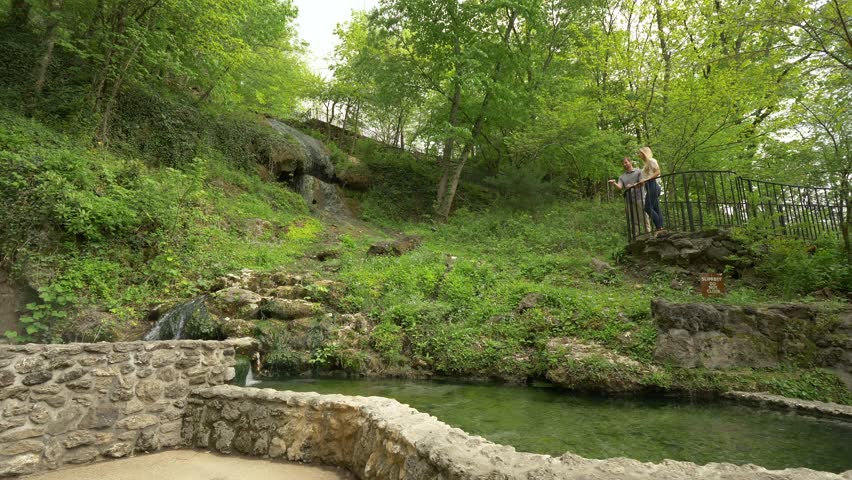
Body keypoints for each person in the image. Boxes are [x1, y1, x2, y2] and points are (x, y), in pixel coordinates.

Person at [608, 156, 650, 237]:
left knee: (644, 218)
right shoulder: (622, 176)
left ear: (630, 162)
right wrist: (614, 183)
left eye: (626, 162)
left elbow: (642, 182)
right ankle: (635, 238)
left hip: (640, 198)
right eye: (623, 163)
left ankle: (648, 237)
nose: (624, 164)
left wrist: (632, 186)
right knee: (634, 220)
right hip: (629, 200)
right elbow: (620, 187)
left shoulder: (639, 171)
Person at [635, 146, 664, 234]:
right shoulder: (645, 164)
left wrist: (646, 180)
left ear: (644, 153)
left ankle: (659, 228)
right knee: (656, 208)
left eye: (640, 152)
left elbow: (658, 172)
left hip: (653, 185)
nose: (638, 154)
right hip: (649, 186)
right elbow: (646, 178)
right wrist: (640, 184)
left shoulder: (652, 161)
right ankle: (660, 229)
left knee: (647, 207)